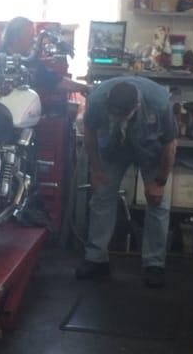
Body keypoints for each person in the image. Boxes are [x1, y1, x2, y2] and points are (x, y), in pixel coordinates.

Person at [75, 76, 177, 288]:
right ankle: (96, 259)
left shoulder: (158, 102)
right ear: (108, 104)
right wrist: (96, 169)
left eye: (123, 115)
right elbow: (90, 133)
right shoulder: (97, 100)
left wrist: (160, 181)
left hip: (151, 150)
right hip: (114, 148)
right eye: (114, 114)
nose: (118, 118)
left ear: (137, 106)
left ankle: (154, 264)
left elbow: (170, 143)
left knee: (158, 203)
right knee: (102, 195)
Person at [0, 16, 87, 94]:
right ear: (15, 38)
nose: (34, 41)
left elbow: (57, 81)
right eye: (30, 36)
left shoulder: (32, 63)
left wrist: (86, 88)